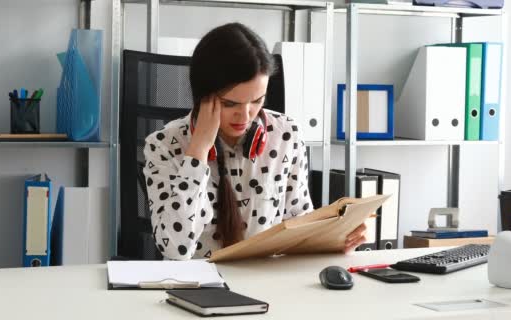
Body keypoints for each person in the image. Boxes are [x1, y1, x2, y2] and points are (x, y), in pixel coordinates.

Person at [144, 22, 366, 260]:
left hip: (267, 284)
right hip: (197, 286)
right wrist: (197, 152)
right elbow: (175, 249)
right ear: (203, 97)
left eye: (257, 100)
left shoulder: (285, 134)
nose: (246, 115)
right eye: (231, 104)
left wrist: (333, 242)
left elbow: (299, 225)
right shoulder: (164, 145)